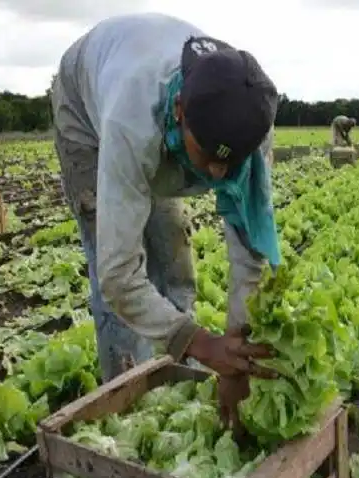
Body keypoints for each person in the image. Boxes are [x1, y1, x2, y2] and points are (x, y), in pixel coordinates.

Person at [50, 13, 280, 431]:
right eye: (208, 154)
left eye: (229, 163)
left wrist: (233, 358)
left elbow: (250, 252)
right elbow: (118, 275)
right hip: (84, 110)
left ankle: (173, 370)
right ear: (178, 110)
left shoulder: (250, 122)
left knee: (173, 257)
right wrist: (198, 340)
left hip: (156, 107)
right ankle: (123, 402)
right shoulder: (130, 121)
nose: (215, 173)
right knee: (119, 287)